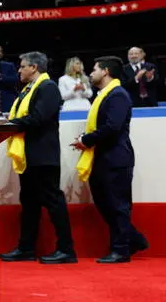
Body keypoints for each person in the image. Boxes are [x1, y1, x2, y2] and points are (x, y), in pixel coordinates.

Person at [0, 52, 77, 264]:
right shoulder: (28, 90)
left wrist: (10, 125)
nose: (19, 70)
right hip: (29, 155)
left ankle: (66, 249)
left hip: (44, 155)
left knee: (53, 201)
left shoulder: (48, 87)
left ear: (34, 67)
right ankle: (26, 247)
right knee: (30, 203)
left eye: (22, 66)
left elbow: (38, 117)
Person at [71, 56, 148, 263]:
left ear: (105, 71)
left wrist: (85, 140)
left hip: (116, 158)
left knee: (117, 206)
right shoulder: (104, 94)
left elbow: (112, 127)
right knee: (106, 204)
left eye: (94, 69)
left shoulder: (117, 95)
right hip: (103, 157)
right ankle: (135, 239)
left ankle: (121, 249)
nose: (91, 73)